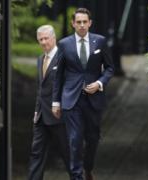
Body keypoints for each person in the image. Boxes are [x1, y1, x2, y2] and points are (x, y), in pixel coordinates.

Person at [52, 8, 115, 180]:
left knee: (93, 138)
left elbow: (110, 68)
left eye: (84, 22)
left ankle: (88, 168)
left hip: (94, 99)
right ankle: (76, 175)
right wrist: (55, 102)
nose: (81, 25)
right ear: (73, 23)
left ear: (90, 23)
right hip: (71, 99)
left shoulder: (100, 42)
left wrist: (100, 83)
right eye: (78, 22)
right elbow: (58, 74)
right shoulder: (64, 44)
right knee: (75, 138)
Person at [28, 25, 70, 180]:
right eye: (41, 39)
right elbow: (41, 88)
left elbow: (70, 87)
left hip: (60, 116)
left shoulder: (64, 58)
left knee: (68, 154)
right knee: (36, 153)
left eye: (46, 38)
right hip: (41, 117)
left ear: (54, 38)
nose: (44, 42)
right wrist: (36, 111)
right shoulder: (40, 59)